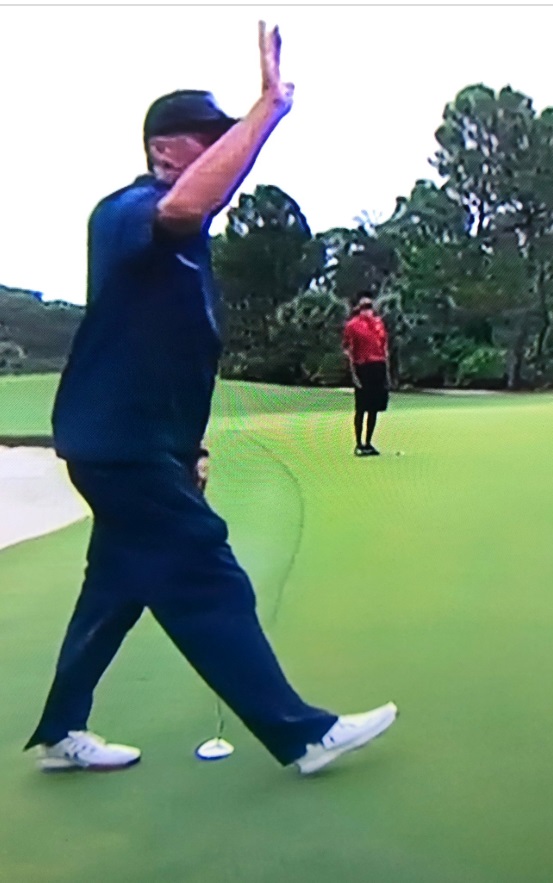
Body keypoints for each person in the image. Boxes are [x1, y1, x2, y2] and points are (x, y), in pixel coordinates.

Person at [24, 22, 397, 776]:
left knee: (118, 583)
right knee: (203, 568)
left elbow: (175, 357)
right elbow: (183, 209)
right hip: (114, 441)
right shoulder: (128, 210)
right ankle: (300, 733)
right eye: (211, 140)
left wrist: (188, 446)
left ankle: (63, 728)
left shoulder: (189, 252)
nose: (227, 153)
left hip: (138, 444)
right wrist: (269, 108)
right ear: (165, 148)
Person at [342, 294, 391, 456]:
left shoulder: (379, 324)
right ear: (358, 308)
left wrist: (387, 371)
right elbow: (349, 350)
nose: (367, 310)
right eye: (364, 307)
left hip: (378, 366)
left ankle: (368, 442)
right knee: (361, 408)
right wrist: (354, 374)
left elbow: (384, 348)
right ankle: (358, 444)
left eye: (369, 306)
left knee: (374, 408)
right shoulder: (352, 325)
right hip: (363, 366)